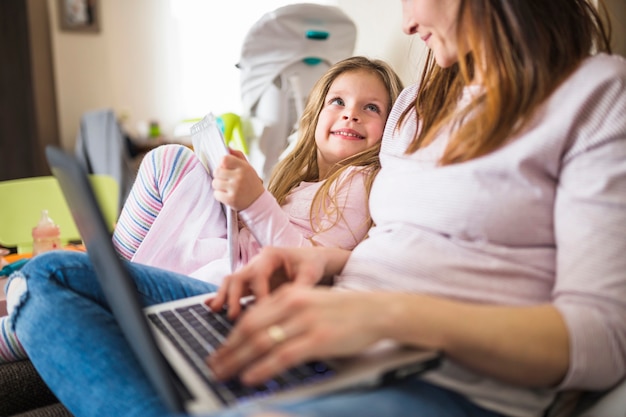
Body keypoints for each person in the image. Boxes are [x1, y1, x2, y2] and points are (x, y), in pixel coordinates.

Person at [6, 0, 626, 416]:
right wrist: (318, 265)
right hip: (331, 325)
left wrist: (391, 317)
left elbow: (603, 338)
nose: (407, 21)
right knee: (48, 279)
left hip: (440, 377)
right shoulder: (417, 106)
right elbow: (396, 239)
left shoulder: (597, 95)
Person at [0, 56, 403, 363]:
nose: (351, 112)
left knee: (170, 163)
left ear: (391, 128)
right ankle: (93, 273)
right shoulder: (303, 182)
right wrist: (240, 190)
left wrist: (255, 202)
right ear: (316, 114)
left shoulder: (361, 181)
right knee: (172, 164)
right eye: (339, 100)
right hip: (233, 257)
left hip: (241, 281)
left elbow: (305, 264)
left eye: (372, 108)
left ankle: (93, 274)